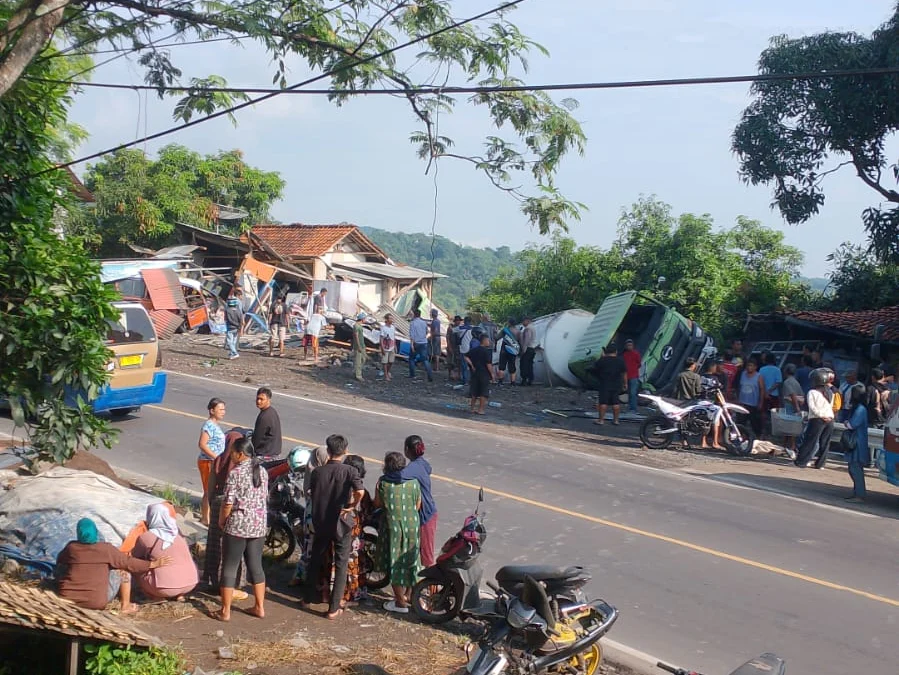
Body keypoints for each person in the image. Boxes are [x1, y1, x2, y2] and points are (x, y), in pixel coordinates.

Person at [302, 434, 365, 620]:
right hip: (341, 523)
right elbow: (360, 492)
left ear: (328, 451)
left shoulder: (318, 472)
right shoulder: (350, 471)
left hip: (321, 521)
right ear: (345, 450)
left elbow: (310, 493)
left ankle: (307, 598)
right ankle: (333, 608)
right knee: (341, 563)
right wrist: (351, 506)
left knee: (316, 560)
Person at [56, 518, 170, 613]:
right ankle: (125, 606)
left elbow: (59, 561)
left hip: (68, 598)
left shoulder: (71, 548)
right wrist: (152, 564)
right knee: (124, 571)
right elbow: (128, 563)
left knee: (62, 567)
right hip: (95, 602)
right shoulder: (106, 549)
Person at [216, 436, 268, 621]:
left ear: (240, 454)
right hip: (258, 525)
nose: (230, 456)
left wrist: (222, 520)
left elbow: (228, 502)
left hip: (238, 525)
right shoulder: (262, 471)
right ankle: (260, 607)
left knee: (229, 567)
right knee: (256, 566)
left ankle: (225, 611)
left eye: (232, 453)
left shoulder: (235, 473)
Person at [317, 454, 373, 605]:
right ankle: (346, 595)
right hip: (352, 534)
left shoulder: (339, 488)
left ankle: (326, 593)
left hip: (333, 528)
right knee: (350, 564)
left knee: (331, 560)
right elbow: (367, 513)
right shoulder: (362, 492)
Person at [202, 428, 248, 598]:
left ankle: (214, 580)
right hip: (235, 507)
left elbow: (210, 486)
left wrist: (214, 501)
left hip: (218, 504)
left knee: (215, 545)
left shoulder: (219, 460)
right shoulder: (240, 465)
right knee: (234, 546)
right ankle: (234, 583)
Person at [375, 451, 421, 614]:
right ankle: (408, 595)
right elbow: (417, 506)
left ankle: (400, 602)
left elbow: (378, 503)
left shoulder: (383, 483)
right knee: (411, 560)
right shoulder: (414, 482)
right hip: (412, 526)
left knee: (393, 561)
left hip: (393, 528)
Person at [381, 435, 437, 567]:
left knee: (427, 555)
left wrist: (383, 477)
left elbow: (396, 477)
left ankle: (433, 586)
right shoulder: (422, 463)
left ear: (407, 450)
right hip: (429, 510)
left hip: (426, 515)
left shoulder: (413, 468)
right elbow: (429, 469)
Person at [131, 503, 198, 601]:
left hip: (164, 588)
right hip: (191, 583)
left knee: (135, 568)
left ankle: (154, 595)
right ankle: (180, 595)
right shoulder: (178, 534)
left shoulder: (146, 537)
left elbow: (134, 558)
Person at [290, 445, 330, 587]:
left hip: (310, 516)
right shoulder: (327, 474)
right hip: (323, 518)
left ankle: (301, 577)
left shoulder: (313, 472)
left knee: (308, 548)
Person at [795, 369, 835, 470]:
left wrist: (821, 415)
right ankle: (820, 464)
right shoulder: (830, 392)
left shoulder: (812, 392)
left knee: (810, 441)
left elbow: (812, 407)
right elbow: (830, 406)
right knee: (825, 442)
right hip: (830, 418)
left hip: (817, 419)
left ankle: (801, 462)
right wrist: (828, 416)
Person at [197, 398, 227, 525]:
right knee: (208, 491)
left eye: (224, 409)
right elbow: (202, 444)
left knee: (212, 490)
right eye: (220, 409)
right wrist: (216, 457)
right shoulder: (208, 425)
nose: (223, 412)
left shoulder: (215, 425)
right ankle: (205, 518)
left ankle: (208, 517)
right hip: (207, 462)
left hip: (213, 462)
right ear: (212, 410)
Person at [843, 383, 870, 503]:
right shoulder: (860, 408)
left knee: (856, 469)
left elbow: (852, 425)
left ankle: (860, 494)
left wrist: (846, 422)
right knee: (853, 469)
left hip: (857, 443)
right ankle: (857, 492)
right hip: (856, 442)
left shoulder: (860, 409)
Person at [589, 343, 627, 426]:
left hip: (605, 384)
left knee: (603, 402)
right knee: (616, 402)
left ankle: (601, 420)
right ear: (616, 352)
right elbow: (624, 373)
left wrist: (602, 357)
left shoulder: (602, 360)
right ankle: (616, 420)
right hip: (616, 384)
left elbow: (594, 369)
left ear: (606, 351)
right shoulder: (620, 361)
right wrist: (625, 384)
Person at [465, 334, 495, 415]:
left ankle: (472, 408)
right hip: (484, 374)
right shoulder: (487, 351)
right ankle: (481, 409)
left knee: (474, 391)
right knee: (483, 392)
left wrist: (472, 365)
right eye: (488, 340)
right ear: (484, 341)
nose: (489, 342)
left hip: (475, 373)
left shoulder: (474, 350)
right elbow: (488, 364)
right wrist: (492, 374)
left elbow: (466, 357)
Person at [780, 363, 804, 456]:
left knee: (790, 427)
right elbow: (801, 396)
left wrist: (796, 407)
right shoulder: (795, 381)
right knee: (790, 427)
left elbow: (792, 395)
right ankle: (785, 446)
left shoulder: (787, 382)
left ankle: (792, 446)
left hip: (790, 406)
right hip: (794, 406)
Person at [737, 358, 766, 438]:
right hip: (742, 403)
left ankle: (758, 436)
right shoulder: (743, 374)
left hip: (753, 404)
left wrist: (760, 402)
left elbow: (762, 389)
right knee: (741, 422)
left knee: (755, 423)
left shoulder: (758, 376)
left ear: (755, 367)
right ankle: (741, 437)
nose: (749, 367)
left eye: (751, 366)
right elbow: (739, 387)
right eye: (748, 365)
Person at [699, 361, 723, 449]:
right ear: (712, 367)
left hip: (700, 401)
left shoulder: (700, 377)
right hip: (711, 402)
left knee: (703, 421)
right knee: (716, 422)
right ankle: (715, 442)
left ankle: (703, 442)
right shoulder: (714, 378)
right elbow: (719, 389)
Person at [252, 387, 282, 458]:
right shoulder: (272, 411)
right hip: (275, 453)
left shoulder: (264, 417)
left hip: (265, 455)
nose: (259, 401)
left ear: (268, 400)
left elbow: (257, 440)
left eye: (262, 399)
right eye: (257, 398)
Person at [408, 309, 433, 381]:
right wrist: (423, 337)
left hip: (416, 342)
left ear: (414, 315)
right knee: (425, 359)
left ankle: (412, 374)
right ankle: (430, 375)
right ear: (420, 314)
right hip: (424, 342)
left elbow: (412, 335)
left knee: (412, 358)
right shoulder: (424, 322)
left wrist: (412, 344)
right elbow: (427, 332)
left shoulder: (413, 323)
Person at [496, 318, 520, 386]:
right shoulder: (518, 331)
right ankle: (513, 382)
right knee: (512, 365)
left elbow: (497, 337)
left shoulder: (505, 330)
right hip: (513, 350)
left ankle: (500, 382)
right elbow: (519, 341)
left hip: (504, 350)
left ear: (509, 323)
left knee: (502, 366)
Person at [622, 339, 642, 414]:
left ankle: (633, 409)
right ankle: (631, 408)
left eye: (630, 345)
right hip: (627, 376)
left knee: (633, 393)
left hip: (634, 376)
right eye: (628, 345)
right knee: (630, 393)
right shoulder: (624, 354)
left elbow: (639, 363)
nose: (629, 346)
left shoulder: (636, 353)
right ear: (626, 346)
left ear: (633, 346)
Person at [224, 291, 244, 360]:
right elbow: (241, 318)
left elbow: (225, 319)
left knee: (229, 342)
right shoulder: (238, 310)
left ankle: (235, 353)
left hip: (230, 327)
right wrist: (241, 328)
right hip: (237, 327)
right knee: (234, 341)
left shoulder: (227, 310)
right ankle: (232, 354)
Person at [518, 316, 537, 386]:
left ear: (527, 321)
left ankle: (524, 380)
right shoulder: (533, 328)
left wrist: (523, 350)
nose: (522, 323)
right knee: (530, 365)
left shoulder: (528, 329)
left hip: (527, 348)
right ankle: (530, 379)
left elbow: (526, 340)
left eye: (523, 321)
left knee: (524, 365)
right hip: (532, 348)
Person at [456, 316, 474, 385]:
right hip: (472, 349)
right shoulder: (473, 328)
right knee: (471, 365)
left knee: (464, 365)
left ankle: (465, 380)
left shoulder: (460, 328)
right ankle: (472, 380)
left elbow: (452, 330)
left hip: (463, 349)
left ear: (464, 321)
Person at [380, 314, 397, 382]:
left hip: (392, 346)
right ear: (386, 320)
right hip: (386, 347)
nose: (391, 320)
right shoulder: (383, 328)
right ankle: (386, 375)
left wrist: (395, 345)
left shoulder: (393, 327)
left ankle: (387, 371)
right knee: (385, 362)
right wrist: (382, 348)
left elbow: (393, 336)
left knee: (391, 361)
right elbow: (381, 339)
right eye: (390, 318)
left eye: (392, 318)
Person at [445, 316, 462, 381]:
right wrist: (449, 346)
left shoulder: (460, 328)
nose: (459, 322)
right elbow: (448, 338)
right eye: (458, 321)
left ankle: (458, 375)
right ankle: (450, 375)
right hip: (452, 346)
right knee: (450, 361)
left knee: (458, 362)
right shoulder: (450, 328)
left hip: (458, 347)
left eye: (459, 321)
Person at [352, 312, 367, 382]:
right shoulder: (356, 326)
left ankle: (356, 372)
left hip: (362, 345)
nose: (365, 320)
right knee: (358, 361)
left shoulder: (360, 326)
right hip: (358, 346)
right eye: (365, 318)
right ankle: (358, 375)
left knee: (363, 359)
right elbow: (356, 336)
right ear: (362, 319)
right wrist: (358, 346)